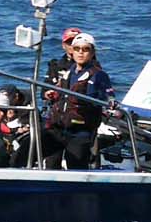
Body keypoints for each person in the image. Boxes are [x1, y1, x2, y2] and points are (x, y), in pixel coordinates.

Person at [42, 30, 115, 169]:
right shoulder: (69, 72)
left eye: (85, 49)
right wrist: (53, 94)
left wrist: (109, 101)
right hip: (59, 127)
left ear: (92, 53)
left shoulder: (99, 75)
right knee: (49, 160)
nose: (80, 52)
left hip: (80, 130)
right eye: (77, 49)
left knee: (76, 165)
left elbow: (109, 96)